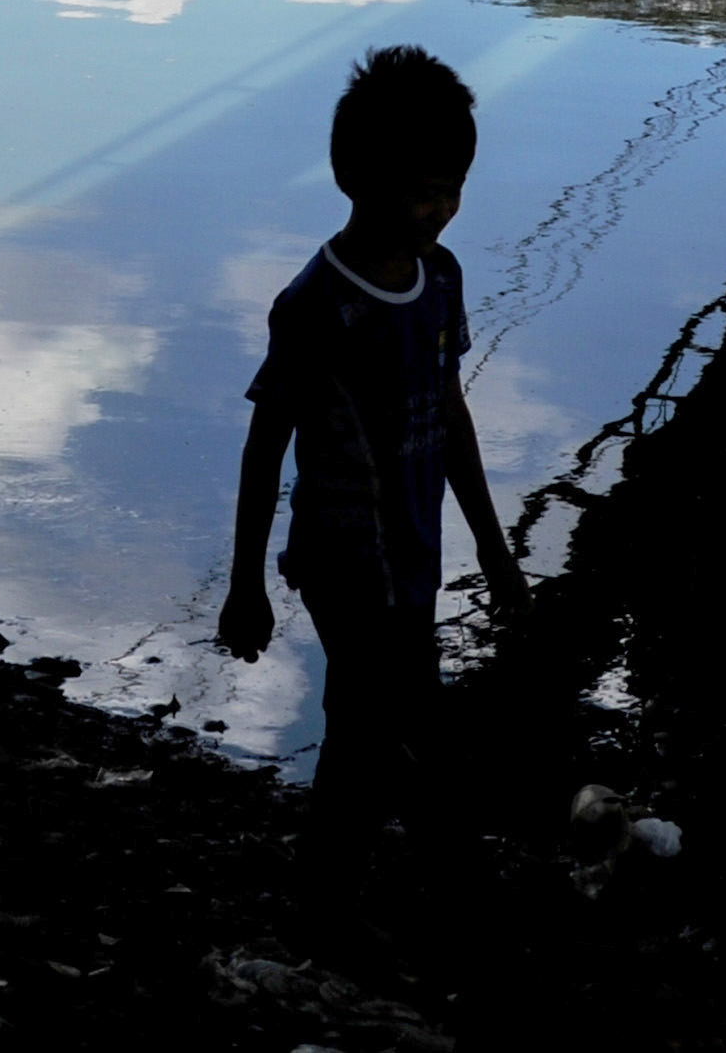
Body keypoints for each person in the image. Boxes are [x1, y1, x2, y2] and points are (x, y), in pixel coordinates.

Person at [216, 46, 528, 913]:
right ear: (353, 177)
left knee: (370, 726)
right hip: (344, 558)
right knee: (395, 718)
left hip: (417, 555)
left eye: (452, 188)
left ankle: (335, 889)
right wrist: (246, 582)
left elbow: (451, 417)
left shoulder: (441, 280)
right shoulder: (316, 305)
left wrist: (496, 557)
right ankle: (439, 883)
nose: (439, 210)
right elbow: (263, 446)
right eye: (420, 190)